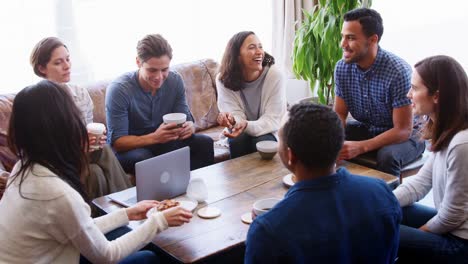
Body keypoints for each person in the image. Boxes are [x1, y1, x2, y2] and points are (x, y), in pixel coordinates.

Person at [0, 80, 193, 263]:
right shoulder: (57, 194)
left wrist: (128, 213)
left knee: (122, 232)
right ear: (66, 127)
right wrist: (159, 221)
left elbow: (80, 228)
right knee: (149, 258)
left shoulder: (23, 168)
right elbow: (107, 257)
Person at [245, 102, 402, 263]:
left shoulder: (268, 231)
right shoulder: (381, 193)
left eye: (279, 139)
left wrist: (264, 225)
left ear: (291, 156)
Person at [29, 37, 132, 199]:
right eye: (58, 63)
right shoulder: (36, 101)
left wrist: (91, 140)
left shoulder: (80, 94)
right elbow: (42, 151)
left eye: (68, 59)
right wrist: (78, 145)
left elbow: (87, 131)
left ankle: (117, 213)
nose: (67, 66)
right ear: (42, 68)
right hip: (57, 163)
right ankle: (129, 202)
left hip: (82, 157)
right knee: (99, 163)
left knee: (97, 167)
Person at [393, 55, 468, 263]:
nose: (409, 95)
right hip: (450, 229)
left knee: (381, 231)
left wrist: (420, 233)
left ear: (436, 96)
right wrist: (381, 202)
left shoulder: (462, 143)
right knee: (389, 211)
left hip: (460, 244)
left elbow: (452, 216)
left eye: (415, 88)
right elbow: (419, 184)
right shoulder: (448, 132)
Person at [334, 8, 425, 177]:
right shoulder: (342, 68)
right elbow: (339, 113)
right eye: (343, 36)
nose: (342, 44)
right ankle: (337, 191)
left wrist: (361, 146)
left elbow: (403, 130)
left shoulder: (398, 72)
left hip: (408, 135)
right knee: (323, 136)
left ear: (373, 39)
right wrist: (335, 140)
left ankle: (386, 201)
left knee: (387, 156)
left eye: (351, 38)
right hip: (369, 128)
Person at [106, 34, 214, 173]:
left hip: (165, 142)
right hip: (132, 149)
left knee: (204, 143)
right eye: (152, 70)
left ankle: (196, 190)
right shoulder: (119, 90)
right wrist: (155, 137)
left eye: (164, 69)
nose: (159, 77)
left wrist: (189, 127)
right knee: (144, 158)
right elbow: (118, 142)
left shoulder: (175, 81)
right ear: (138, 62)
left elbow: (187, 120)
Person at [216, 31, 287, 159]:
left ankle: (266, 180)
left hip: (269, 129)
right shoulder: (223, 79)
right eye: (252, 47)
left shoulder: (275, 76)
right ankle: (238, 179)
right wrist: (232, 121)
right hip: (241, 130)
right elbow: (234, 115)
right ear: (237, 55)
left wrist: (247, 125)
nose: (259, 52)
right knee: (238, 140)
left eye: (260, 47)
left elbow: (272, 119)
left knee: (263, 141)